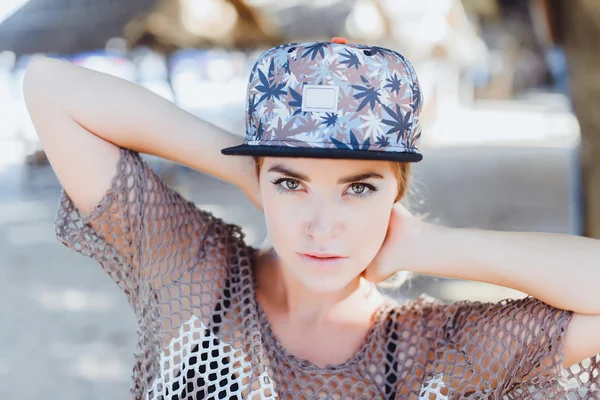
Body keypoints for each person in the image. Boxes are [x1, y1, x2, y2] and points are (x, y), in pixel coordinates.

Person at [23, 39, 599, 399]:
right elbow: (52, 88)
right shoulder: (195, 274)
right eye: (292, 185)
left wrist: (428, 245)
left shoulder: (438, 350)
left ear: (396, 192)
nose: (322, 227)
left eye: (359, 189)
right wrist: (245, 167)